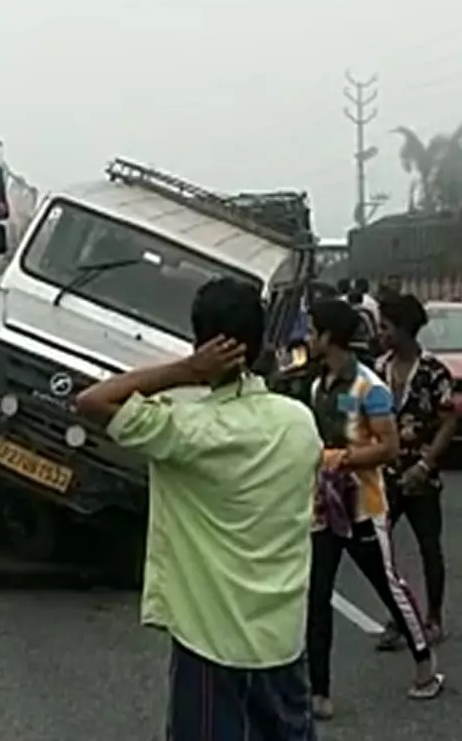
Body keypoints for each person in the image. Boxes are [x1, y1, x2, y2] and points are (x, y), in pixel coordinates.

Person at [74, 277, 323, 741]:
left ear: (199, 342)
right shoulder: (300, 422)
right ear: (264, 340)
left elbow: (91, 401)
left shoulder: (187, 431)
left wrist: (186, 371)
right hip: (283, 641)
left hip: (213, 647)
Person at [299, 298, 443, 719]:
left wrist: (339, 459)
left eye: (313, 331)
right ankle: (319, 693)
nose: (308, 339)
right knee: (317, 597)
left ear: (329, 338)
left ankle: (424, 664)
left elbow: (390, 447)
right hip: (325, 507)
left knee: (389, 586)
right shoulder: (318, 385)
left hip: (365, 505)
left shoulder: (370, 389)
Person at [373, 293, 456, 650]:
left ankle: (433, 618)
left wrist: (426, 464)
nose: (380, 334)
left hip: (421, 478)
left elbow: (449, 420)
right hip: (383, 477)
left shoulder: (434, 372)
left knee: (429, 548)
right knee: (382, 551)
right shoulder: (378, 370)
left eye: (386, 327)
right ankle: (399, 616)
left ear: (404, 330)